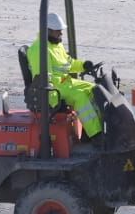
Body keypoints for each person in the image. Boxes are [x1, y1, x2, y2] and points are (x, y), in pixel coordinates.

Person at [25, 11, 104, 139]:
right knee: (80, 97)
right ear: (48, 31)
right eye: (58, 31)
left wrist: (83, 65)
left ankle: (91, 130)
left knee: (94, 89)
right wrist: (53, 99)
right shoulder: (39, 50)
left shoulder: (56, 45)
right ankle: (96, 136)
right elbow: (43, 79)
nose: (61, 33)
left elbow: (68, 63)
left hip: (65, 83)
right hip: (52, 89)